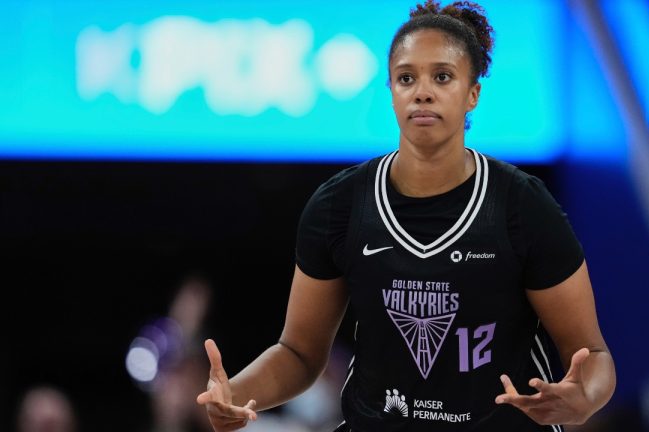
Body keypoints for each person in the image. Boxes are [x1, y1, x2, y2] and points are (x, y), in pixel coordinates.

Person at [196, 1, 616, 431]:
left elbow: (593, 355)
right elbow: (299, 353)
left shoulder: (521, 205)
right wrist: (238, 393)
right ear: (392, 91)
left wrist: (584, 398)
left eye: (442, 76)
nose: (423, 91)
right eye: (406, 78)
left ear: (473, 93)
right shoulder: (340, 206)